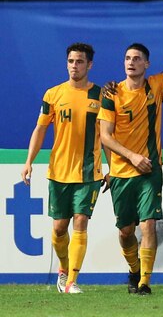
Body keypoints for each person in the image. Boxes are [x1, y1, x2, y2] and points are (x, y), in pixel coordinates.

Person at [98, 2, 163, 295]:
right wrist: (130, 157)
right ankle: (133, 269)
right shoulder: (112, 93)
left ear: (146, 64)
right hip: (122, 172)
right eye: (127, 58)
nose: (131, 62)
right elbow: (105, 136)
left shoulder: (157, 85)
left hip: (150, 170)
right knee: (126, 232)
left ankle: (144, 283)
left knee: (149, 225)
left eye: (137, 58)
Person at [20, 43, 107, 294]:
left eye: (79, 62)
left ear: (89, 65)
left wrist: (112, 166)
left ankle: (72, 282)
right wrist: (28, 162)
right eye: (71, 61)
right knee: (59, 228)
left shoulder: (100, 96)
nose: (74, 66)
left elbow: (107, 134)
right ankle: (63, 269)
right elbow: (40, 129)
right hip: (59, 171)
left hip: (89, 172)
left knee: (80, 221)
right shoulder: (53, 94)